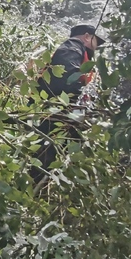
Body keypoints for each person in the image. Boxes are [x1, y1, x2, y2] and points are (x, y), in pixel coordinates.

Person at [29, 24, 106, 183]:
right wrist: (83, 107)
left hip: (56, 115)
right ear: (86, 36)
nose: (96, 47)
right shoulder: (72, 48)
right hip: (52, 116)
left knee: (51, 159)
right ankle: (38, 195)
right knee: (45, 161)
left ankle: (44, 191)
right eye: (96, 41)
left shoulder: (75, 51)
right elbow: (66, 81)